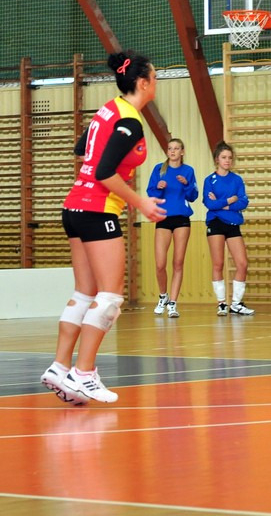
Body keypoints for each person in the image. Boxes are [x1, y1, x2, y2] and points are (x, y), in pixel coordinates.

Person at [40, 51, 166, 404]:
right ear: (142, 83)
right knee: (110, 296)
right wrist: (140, 202)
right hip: (97, 210)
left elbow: (82, 149)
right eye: (155, 77)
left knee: (85, 292)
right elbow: (103, 172)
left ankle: (60, 367)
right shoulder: (130, 121)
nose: (156, 82)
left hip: (74, 206)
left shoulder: (109, 109)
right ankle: (84, 373)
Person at [146, 138, 197, 318]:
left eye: (176, 148)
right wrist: (158, 187)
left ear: (182, 151)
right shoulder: (159, 169)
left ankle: (173, 303)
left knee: (178, 262)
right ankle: (163, 296)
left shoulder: (188, 171)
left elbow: (193, 196)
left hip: (182, 218)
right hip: (163, 218)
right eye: (170, 148)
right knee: (160, 264)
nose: (173, 151)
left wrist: (186, 184)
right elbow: (151, 193)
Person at [203, 141, 253, 316]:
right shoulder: (209, 180)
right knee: (218, 263)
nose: (227, 160)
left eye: (230, 158)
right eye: (224, 157)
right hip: (216, 223)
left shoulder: (237, 180)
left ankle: (236, 304)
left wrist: (222, 204)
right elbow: (209, 204)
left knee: (242, 263)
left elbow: (243, 202)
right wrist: (229, 200)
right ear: (217, 159)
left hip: (233, 223)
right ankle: (222, 303)